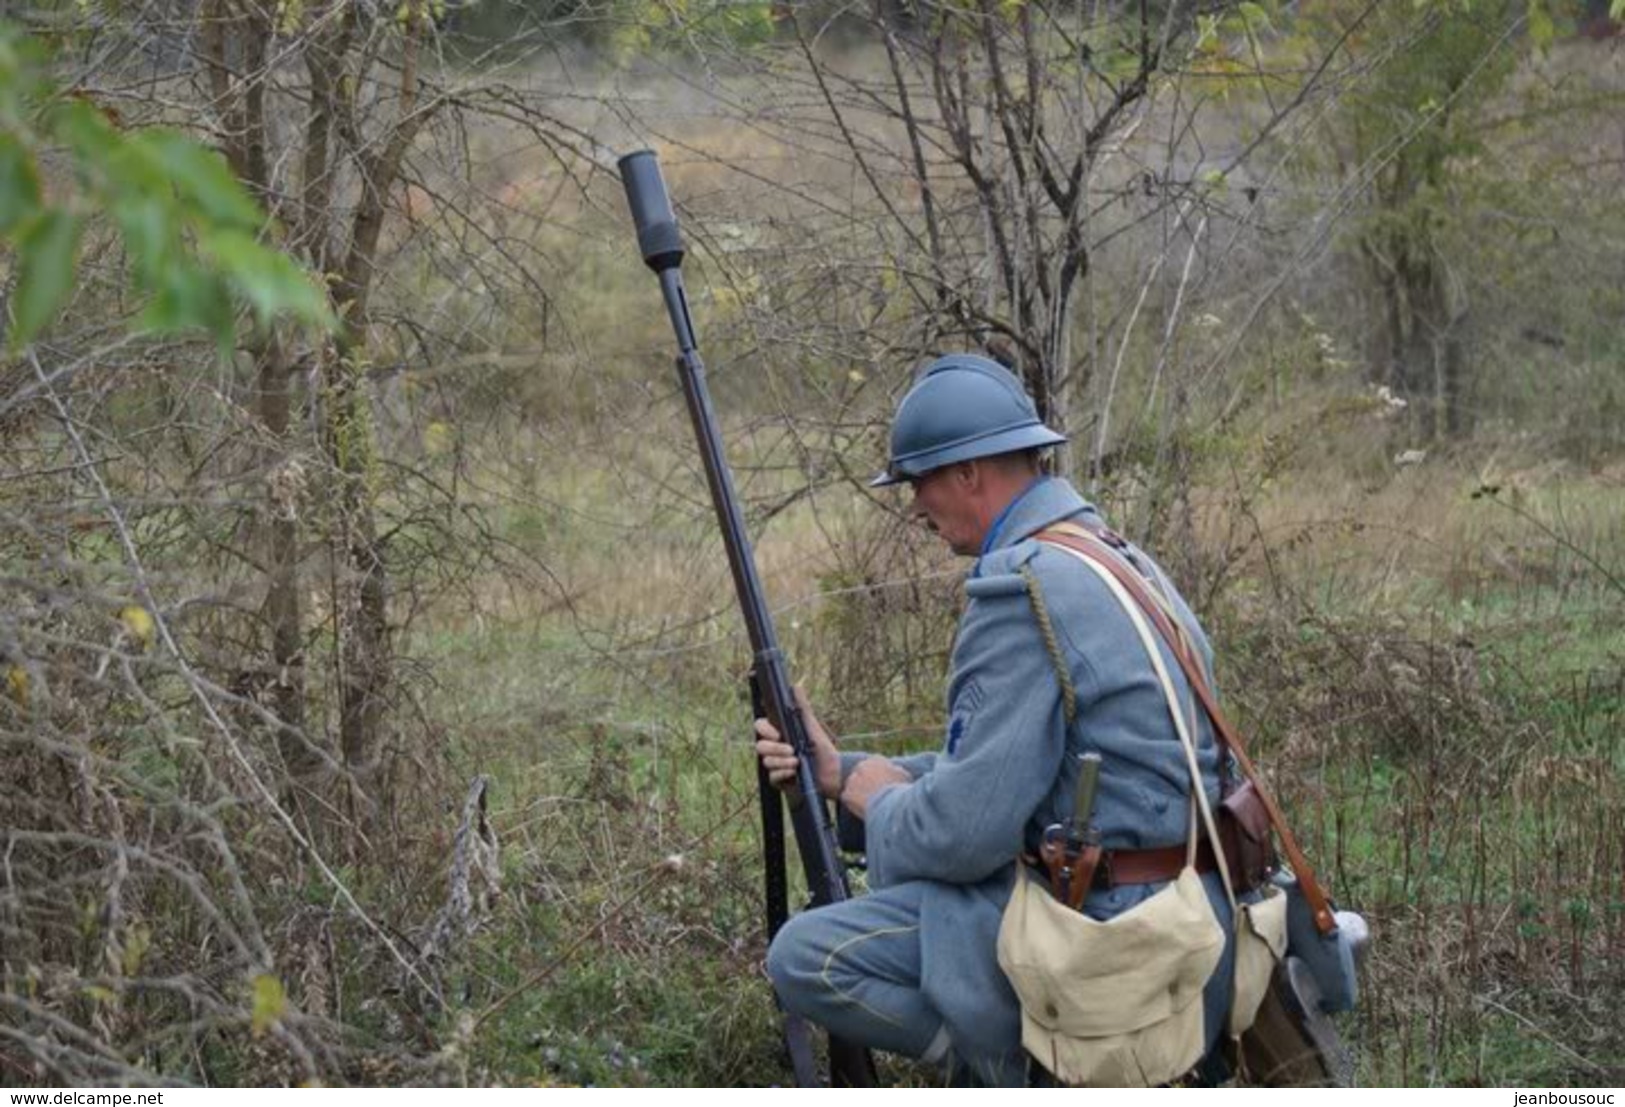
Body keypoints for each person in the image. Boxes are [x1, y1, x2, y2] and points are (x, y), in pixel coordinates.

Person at [753, 353, 1236, 1086]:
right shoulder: (1114, 557)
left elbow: (962, 834)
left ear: (970, 474)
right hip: (1196, 914)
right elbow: (1019, 764)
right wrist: (839, 772)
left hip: (1107, 934)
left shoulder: (1019, 588)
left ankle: (1030, 1070)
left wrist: (877, 801)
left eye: (920, 480)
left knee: (804, 957)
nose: (915, 506)